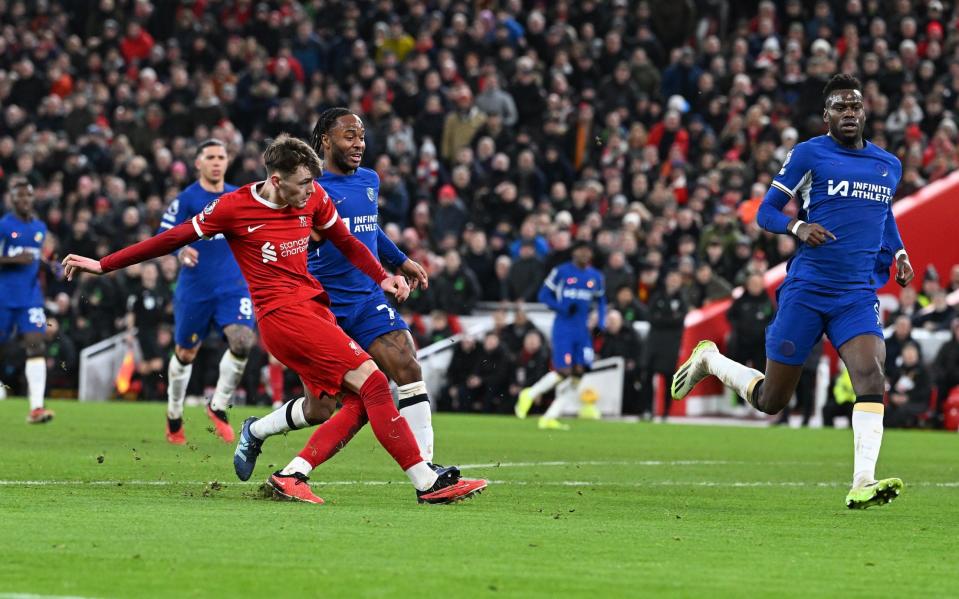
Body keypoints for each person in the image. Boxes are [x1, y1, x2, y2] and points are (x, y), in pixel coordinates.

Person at [62, 135, 486, 505]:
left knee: (353, 404)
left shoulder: (314, 197)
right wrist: (104, 264)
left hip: (313, 307)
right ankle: (426, 482)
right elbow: (172, 238)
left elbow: (349, 243)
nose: (312, 193)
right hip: (282, 317)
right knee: (375, 383)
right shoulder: (233, 208)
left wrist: (384, 276)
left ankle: (290, 474)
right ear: (277, 180)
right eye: (303, 184)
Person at [672, 74, 914, 509]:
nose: (848, 114)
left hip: (855, 294)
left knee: (871, 375)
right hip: (806, 290)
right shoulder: (809, 154)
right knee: (772, 401)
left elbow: (884, 214)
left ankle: (863, 481)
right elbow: (765, 212)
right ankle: (710, 359)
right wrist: (797, 225)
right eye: (839, 107)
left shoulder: (887, 165)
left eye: (855, 106)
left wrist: (898, 251)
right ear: (826, 116)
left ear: (865, 112)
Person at [299, 107, 443, 472]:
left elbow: (367, 230)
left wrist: (400, 260)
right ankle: (256, 432)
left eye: (361, 136)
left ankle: (428, 469)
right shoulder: (309, 189)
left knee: (408, 366)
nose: (359, 143)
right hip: (325, 307)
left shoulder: (369, 180)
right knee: (320, 409)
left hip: (366, 300)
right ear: (325, 140)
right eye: (349, 136)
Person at [158, 139, 254, 445]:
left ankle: (218, 406)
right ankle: (174, 415)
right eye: (210, 157)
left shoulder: (239, 196)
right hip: (195, 288)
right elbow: (164, 234)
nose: (216, 162)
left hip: (233, 286)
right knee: (186, 353)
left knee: (242, 340)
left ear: (227, 161)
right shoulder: (187, 199)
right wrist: (180, 250)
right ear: (198, 163)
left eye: (221, 157)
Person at [514, 240, 606, 430]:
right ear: (574, 253)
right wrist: (562, 307)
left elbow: (601, 300)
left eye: (587, 251)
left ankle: (550, 416)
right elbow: (543, 295)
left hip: (582, 330)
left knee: (580, 371)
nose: (584, 254)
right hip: (564, 328)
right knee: (564, 370)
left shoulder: (596, 277)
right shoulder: (561, 271)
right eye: (581, 250)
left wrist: (601, 322)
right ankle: (530, 394)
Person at [0, 179, 53, 423]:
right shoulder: (3, 225)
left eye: (28, 196)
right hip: (3, 296)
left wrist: (49, 265)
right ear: (12, 199)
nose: (24, 200)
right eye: (19, 196)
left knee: (37, 344)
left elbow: (35, 259)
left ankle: (36, 407)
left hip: (30, 298)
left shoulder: (40, 227)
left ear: (33, 198)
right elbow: (17, 258)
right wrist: (12, 260)